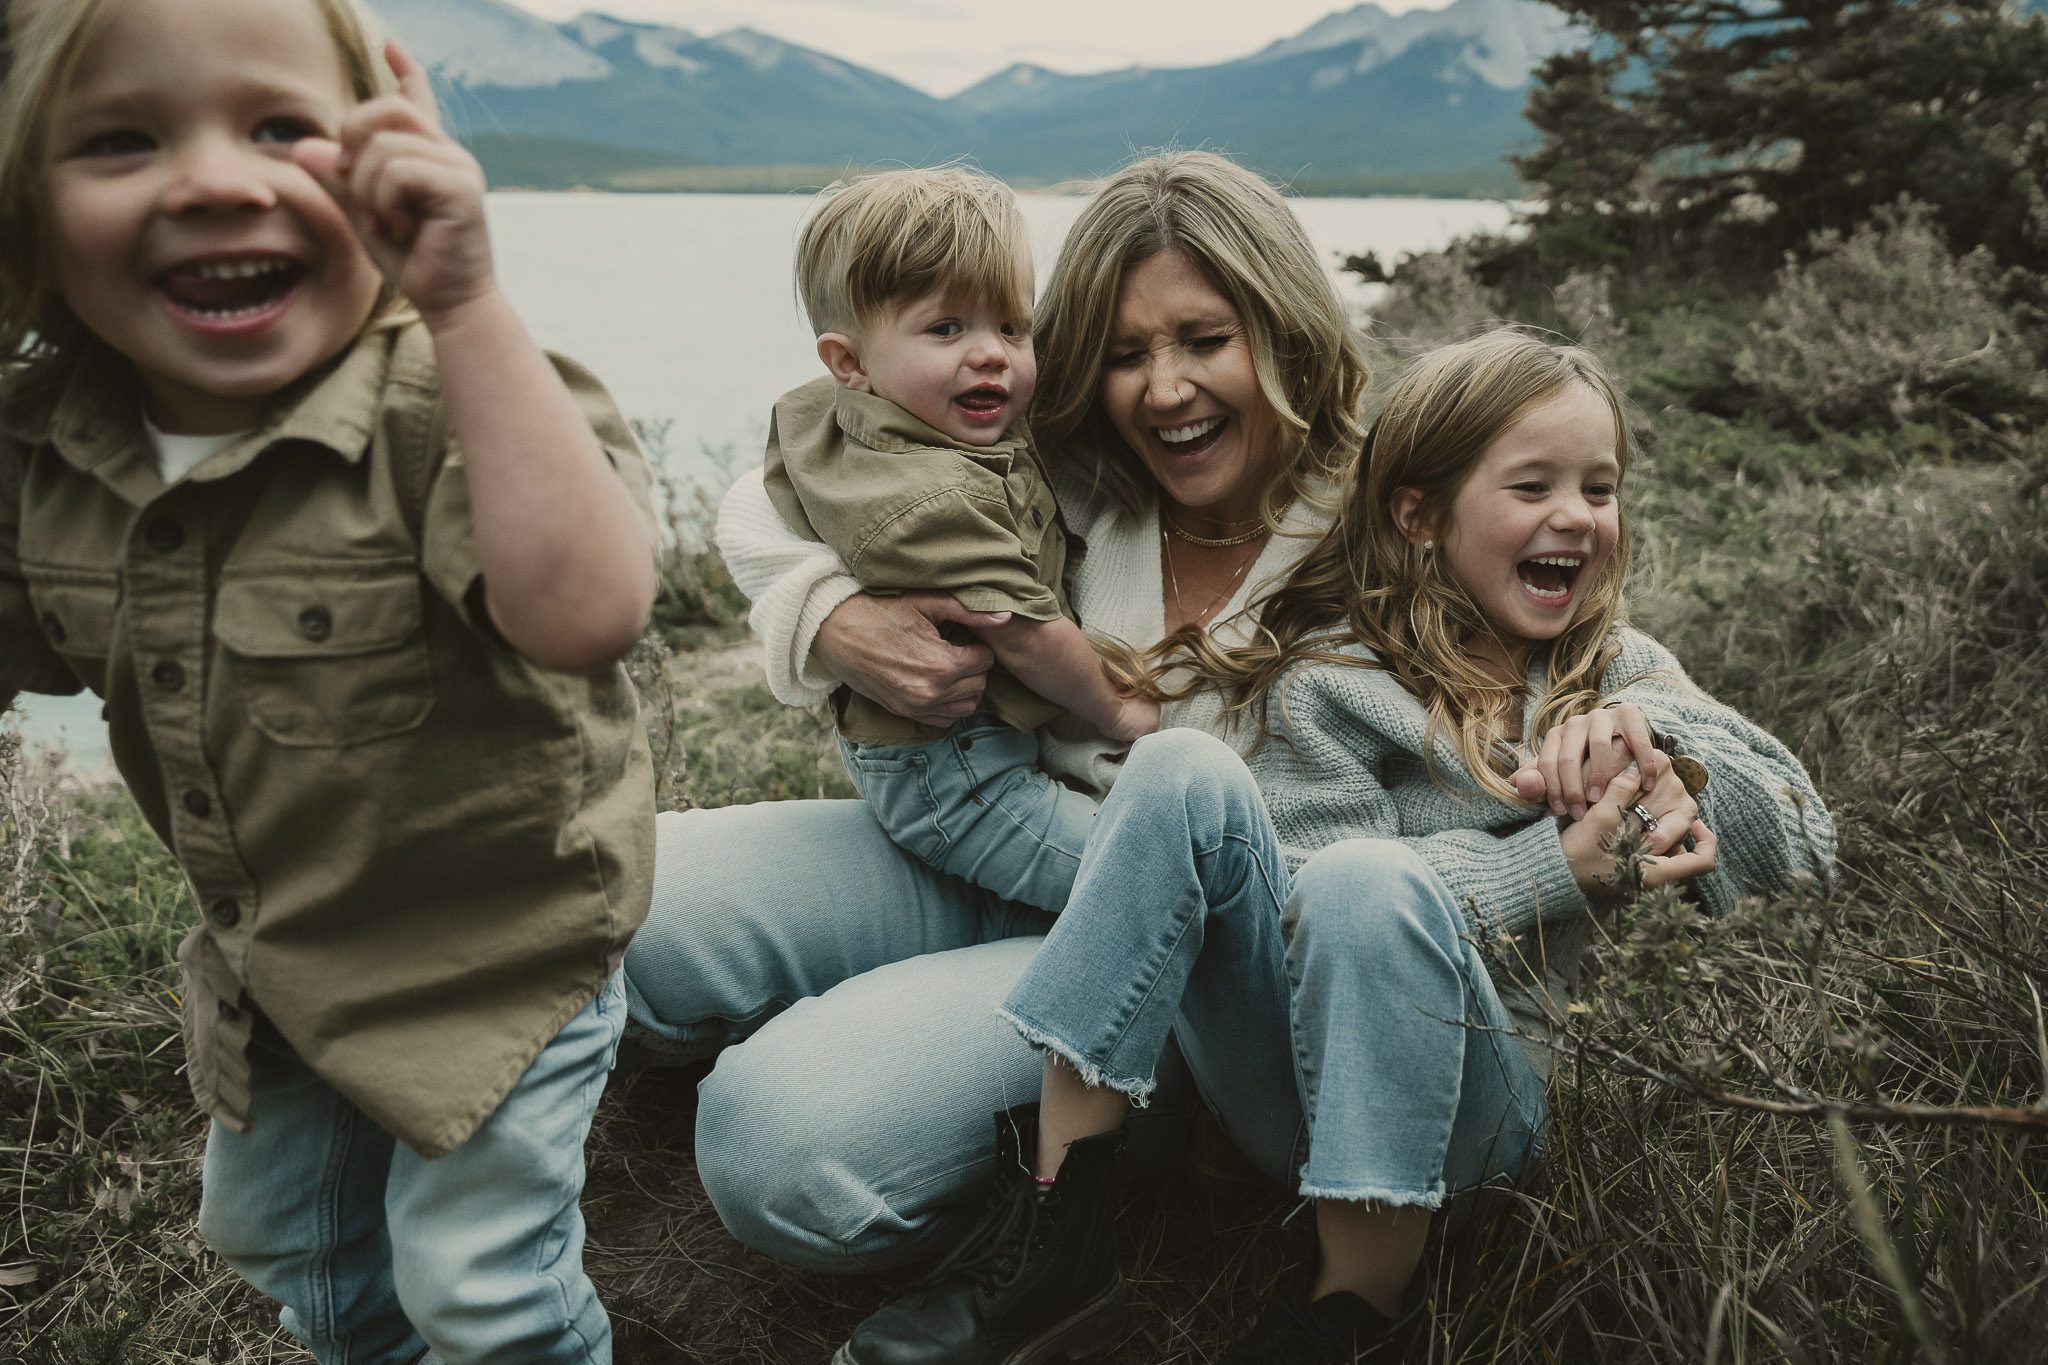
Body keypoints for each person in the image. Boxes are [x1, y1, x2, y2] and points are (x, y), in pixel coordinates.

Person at [828, 328, 1835, 1364]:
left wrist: (1664, 752)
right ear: (1418, 515)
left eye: (1599, 488)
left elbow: (1803, 841)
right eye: (1531, 487)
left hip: (1474, 1122)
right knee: (1186, 773)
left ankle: (1351, 1315)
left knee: (1371, 877)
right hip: (1292, 1089)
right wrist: (1551, 869)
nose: (1574, 517)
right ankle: (1056, 1232)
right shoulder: (1332, 682)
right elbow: (1312, 908)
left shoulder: (1613, 671)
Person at [0, 1, 658, 1360]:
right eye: (120, 139)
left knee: (481, 1283)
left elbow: (590, 610)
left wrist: (467, 299)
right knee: (291, 1245)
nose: (218, 180)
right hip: (280, 967)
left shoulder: (445, 395)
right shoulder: (47, 441)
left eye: (286, 128)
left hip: (496, 956)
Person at [622, 150, 1374, 1267]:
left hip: (1174, 970)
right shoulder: (1076, 461)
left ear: (1287, 329)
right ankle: (814, 1014)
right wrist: (826, 614)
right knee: (595, 895)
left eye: (1206, 340)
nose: (1163, 390)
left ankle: (1040, 1150)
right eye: (1123, 354)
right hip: (984, 838)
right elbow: (780, 487)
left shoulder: (1390, 515)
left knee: (779, 1143)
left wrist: (1639, 752)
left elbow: (1627, 666)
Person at [763, 165, 1154, 916]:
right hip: (962, 780)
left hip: (946, 759)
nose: (991, 354)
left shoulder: (833, 412)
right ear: (849, 363)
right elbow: (1026, 632)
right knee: (1140, 881)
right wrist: (1119, 712)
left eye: (1011, 326)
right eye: (947, 329)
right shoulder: (932, 498)